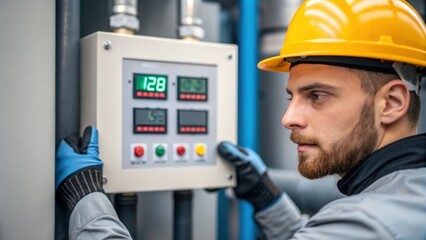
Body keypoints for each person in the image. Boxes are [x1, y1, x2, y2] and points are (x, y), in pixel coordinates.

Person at [55, 0, 426, 239]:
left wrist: (87, 201)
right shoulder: (408, 195)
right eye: (290, 96)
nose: (288, 118)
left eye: (317, 96)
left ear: (391, 102)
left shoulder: (365, 224)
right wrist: (266, 197)